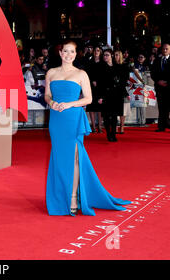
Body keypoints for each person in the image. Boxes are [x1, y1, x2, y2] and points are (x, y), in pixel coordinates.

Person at [44, 40, 131, 216]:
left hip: (73, 118)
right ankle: (61, 196)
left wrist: (69, 104)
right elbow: (47, 94)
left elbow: (88, 99)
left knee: (75, 158)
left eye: (72, 52)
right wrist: (51, 102)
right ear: (60, 54)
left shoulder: (81, 74)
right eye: (66, 51)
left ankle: (73, 197)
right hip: (57, 120)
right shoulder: (51, 73)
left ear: (76, 55)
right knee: (60, 158)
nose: (68, 55)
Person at [150, 43, 170, 133]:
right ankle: (161, 127)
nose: (165, 50)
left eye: (167, 49)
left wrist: (166, 82)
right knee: (161, 107)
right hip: (159, 87)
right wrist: (158, 81)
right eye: (163, 49)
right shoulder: (157, 60)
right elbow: (153, 73)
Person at [98, 49, 126, 142]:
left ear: (111, 56)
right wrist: (100, 96)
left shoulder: (118, 67)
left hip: (116, 94)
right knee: (106, 116)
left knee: (114, 116)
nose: (105, 57)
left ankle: (113, 134)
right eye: (104, 55)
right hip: (106, 94)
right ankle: (109, 134)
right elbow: (100, 83)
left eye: (107, 55)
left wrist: (124, 93)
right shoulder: (101, 67)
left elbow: (122, 81)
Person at [85, 46, 104, 133]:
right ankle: (93, 126)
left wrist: (99, 82)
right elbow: (87, 73)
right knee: (91, 106)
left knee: (100, 107)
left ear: (100, 52)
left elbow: (105, 74)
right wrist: (92, 81)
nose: (96, 52)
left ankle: (100, 126)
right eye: (95, 50)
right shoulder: (89, 62)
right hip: (91, 86)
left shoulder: (103, 62)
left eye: (98, 50)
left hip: (101, 86)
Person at [114, 50, 131, 134]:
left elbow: (126, 78)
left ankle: (122, 126)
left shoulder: (125, 66)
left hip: (123, 89)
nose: (115, 56)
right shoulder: (112, 66)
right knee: (115, 110)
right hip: (114, 90)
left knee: (123, 110)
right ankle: (115, 126)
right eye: (114, 55)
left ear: (120, 56)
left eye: (117, 55)